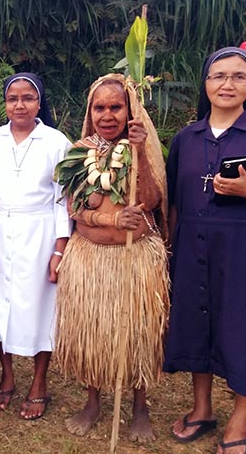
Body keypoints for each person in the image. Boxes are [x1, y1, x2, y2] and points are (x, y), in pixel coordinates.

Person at [54, 73, 169, 442]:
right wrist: (111, 219)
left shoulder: (140, 147)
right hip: (89, 258)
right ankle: (92, 402)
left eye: (116, 107)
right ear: (90, 111)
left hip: (134, 259)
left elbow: (151, 199)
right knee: (93, 335)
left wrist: (141, 150)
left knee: (136, 335)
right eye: (99, 107)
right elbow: (74, 209)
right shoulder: (80, 150)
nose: (107, 115)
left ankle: (139, 406)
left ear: (129, 111)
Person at [164, 47, 246, 454]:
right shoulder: (186, 138)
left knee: (243, 329)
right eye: (219, 76)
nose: (227, 84)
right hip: (191, 246)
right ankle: (202, 409)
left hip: (242, 250)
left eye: (239, 76)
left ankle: (239, 422)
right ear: (206, 83)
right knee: (195, 324)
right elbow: (172, 199)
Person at [0, 73, 71, 420]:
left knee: (40, 306)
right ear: (5, 103)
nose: (20, 105)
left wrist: (59, 250)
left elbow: (62, 200)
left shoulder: (57, 142)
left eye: (28, 98)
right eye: (13, 99)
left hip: (40, 232)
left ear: (39, 102)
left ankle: (39, 382)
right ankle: (6, 375)